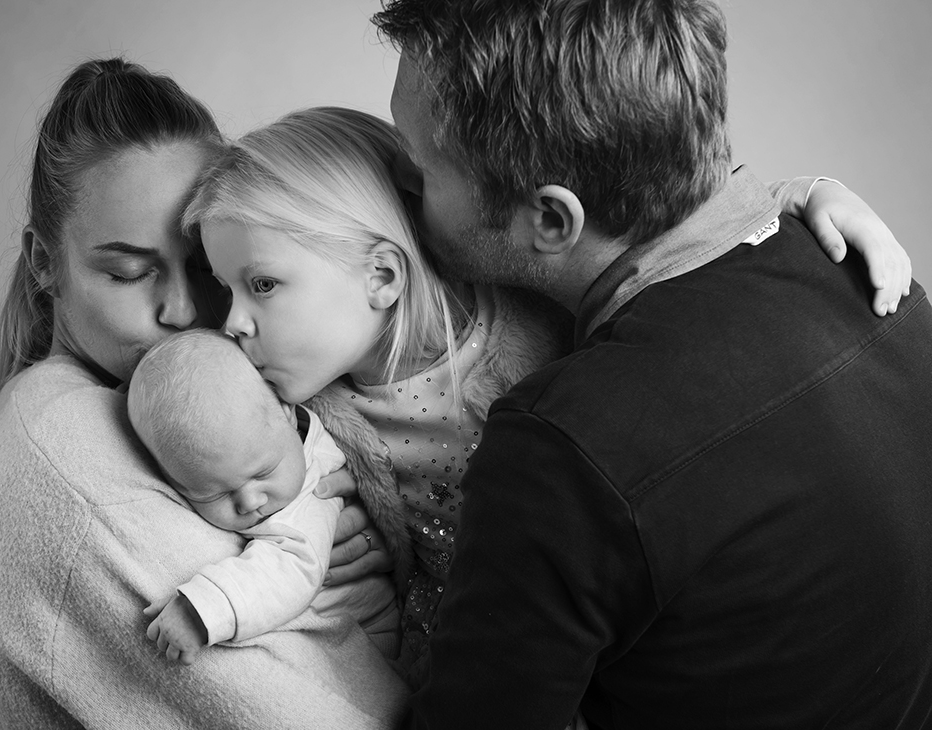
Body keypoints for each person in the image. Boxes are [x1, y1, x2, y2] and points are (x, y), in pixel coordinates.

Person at [182, 106, 914, 695]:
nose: (233, 322)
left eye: (263, 285)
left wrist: (802, 193)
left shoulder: (529, 312)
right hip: (452, 657)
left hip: (605, 634)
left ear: (381, 275)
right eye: (226, 289)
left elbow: (663, 256)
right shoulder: (304, 420)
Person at [372, 0, 932, 727]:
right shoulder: (874, 277)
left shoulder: (563, 447)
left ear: (552, 220)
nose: (399, 185)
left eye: (420, 167)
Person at [0, 58, 407, 730]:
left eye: (204, 267)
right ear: (45, 261)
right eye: (130, 273)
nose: (185, 309)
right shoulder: (70, 457)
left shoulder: (263, 389)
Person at [127, 328, 400, 664]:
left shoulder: (313, 487)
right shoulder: (267, 443)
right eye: (215, 493)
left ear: (288, 413)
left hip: (368, 641)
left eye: (262, 473)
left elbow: (292, 569)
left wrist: (203, 609)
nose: (250, 502)